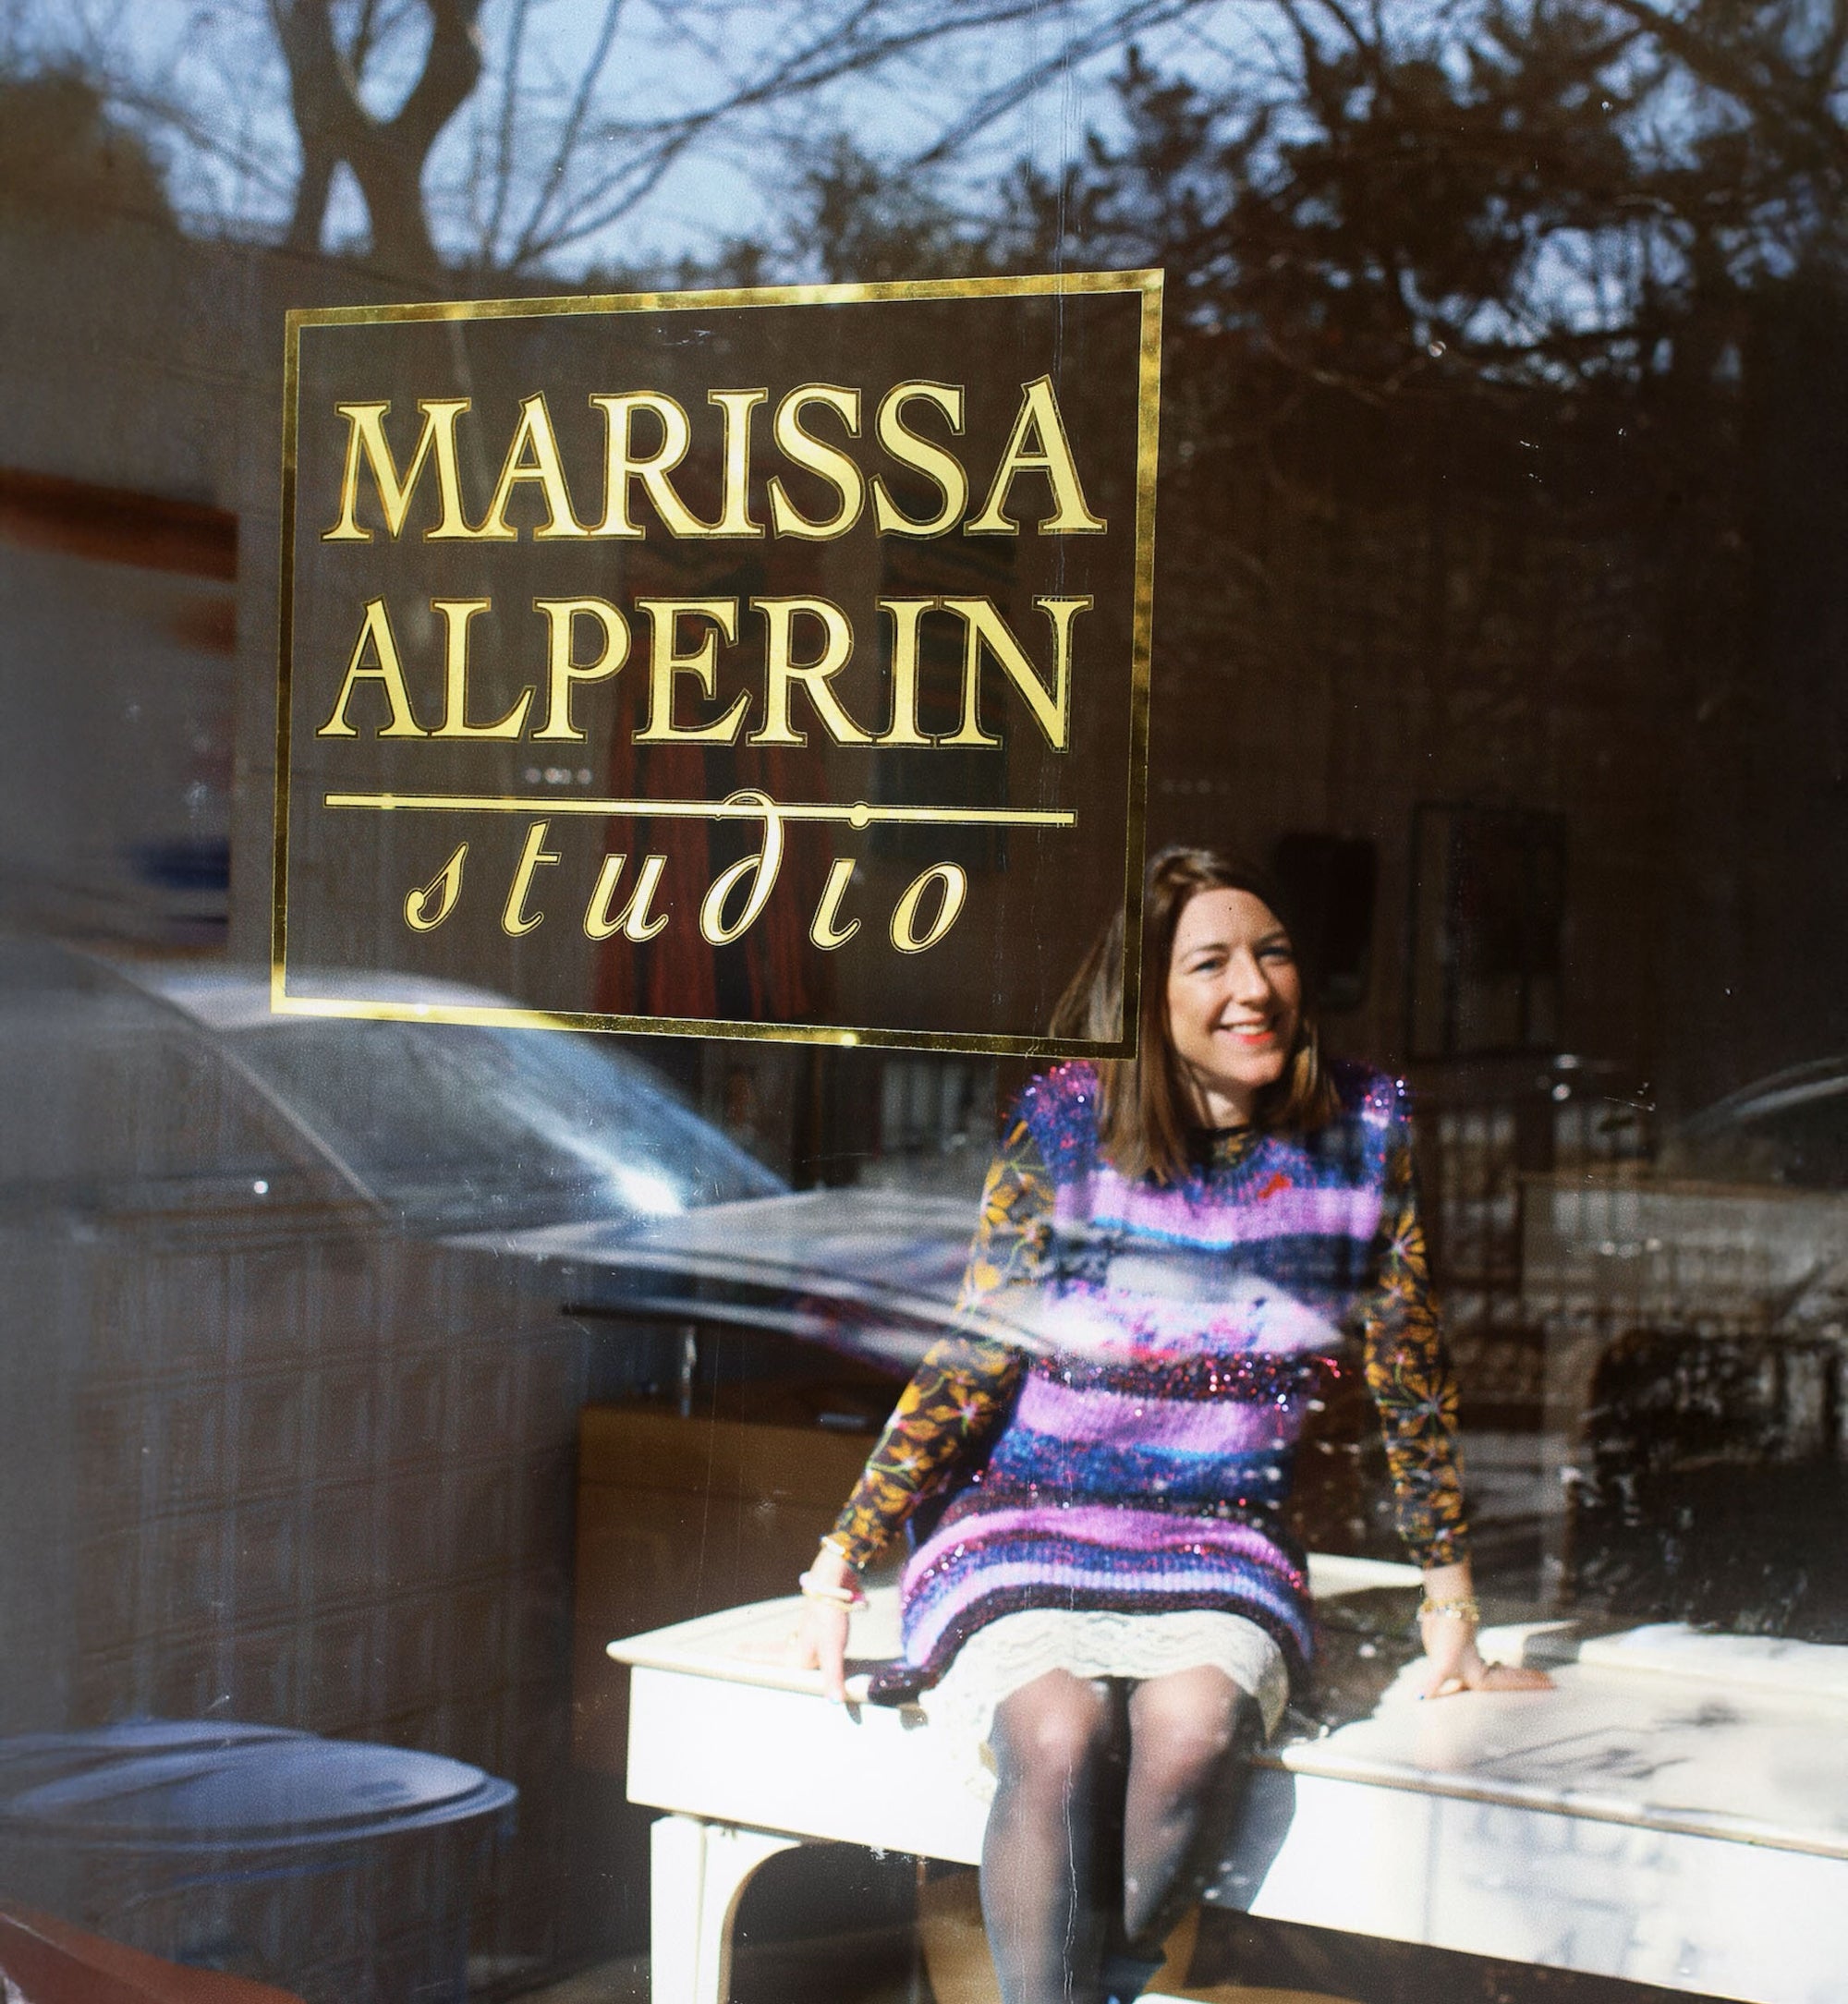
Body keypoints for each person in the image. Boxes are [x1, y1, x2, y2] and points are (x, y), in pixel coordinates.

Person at [796, 846, 1550, 2004]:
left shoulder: (1362, 1132)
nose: (1252, 987)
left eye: (1273, 954)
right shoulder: (1063, 1124)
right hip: (1020, 1523)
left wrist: (1448, 1601)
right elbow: (973, 1350)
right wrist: (845, 1556)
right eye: (1210, 963)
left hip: (1218, 1537)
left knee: (1194, 1728)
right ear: (1145, 1004)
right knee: (1055, 1735)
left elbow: (1407, 1364)